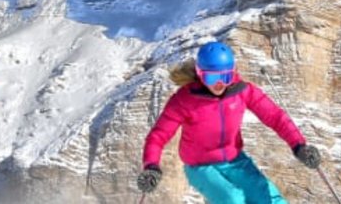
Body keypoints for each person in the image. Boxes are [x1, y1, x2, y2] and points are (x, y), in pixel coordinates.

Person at [136, 41, 323, 203]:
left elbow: (275, 116)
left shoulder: (242, 91)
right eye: (212, 77)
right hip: (200, 167)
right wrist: (151, 166)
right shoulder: (185, 99)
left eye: (224, 77)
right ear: (200, 74)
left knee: (269, 199)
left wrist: (299, 146)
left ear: (232, 73)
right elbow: (159, 135)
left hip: (235, 161)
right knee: (233, 199)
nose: (219, 84)